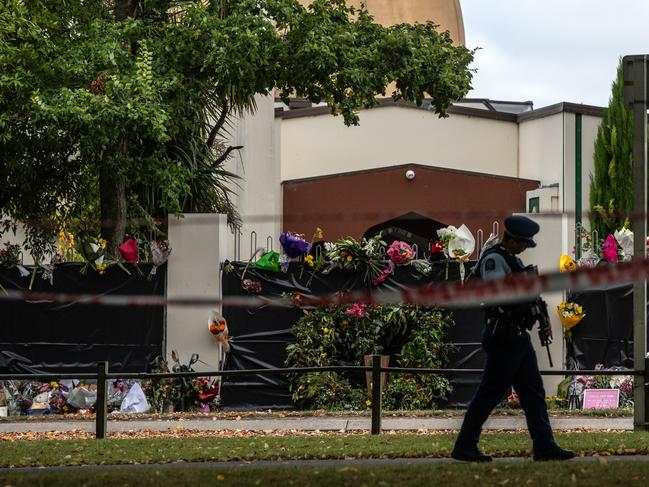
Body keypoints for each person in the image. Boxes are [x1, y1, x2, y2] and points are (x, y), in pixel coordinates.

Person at [451, 215, 575, 462]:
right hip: (504, 337)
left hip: (518, 337)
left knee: (533, 392)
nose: (524, 249)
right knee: (489, 394)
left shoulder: (513, 260)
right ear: (512, 239)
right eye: (522, 244)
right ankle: (465, 445)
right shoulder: (494, 259)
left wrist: (541, 315)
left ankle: (544, 445)